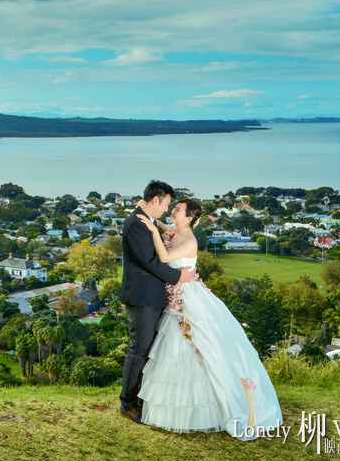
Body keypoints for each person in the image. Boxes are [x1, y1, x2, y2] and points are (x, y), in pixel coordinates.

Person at [135, 198, 283, 440]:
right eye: (173, 208)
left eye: (178, 210)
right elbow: (165, 227)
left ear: (190, 218)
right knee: (175, 345)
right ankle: (171, 409)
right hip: (178, 294)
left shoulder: (191, 241)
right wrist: (151, 216)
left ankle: (203, 411)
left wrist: (151, 229)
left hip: (188, 298)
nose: (173, 212)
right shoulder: (174, 229)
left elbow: (163, 258)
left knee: (194, 345)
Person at [119, 180, 198, 422]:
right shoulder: (136, 225)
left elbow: (164, 232)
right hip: (142, 296)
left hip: (154, 297)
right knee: (139, 350)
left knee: (150, 350)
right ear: (156, 200)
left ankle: (143, 398)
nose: (167, 209)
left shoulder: (149, 220)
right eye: (166, 204)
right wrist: (178, 276)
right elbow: (149, 262)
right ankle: (128, 404)